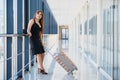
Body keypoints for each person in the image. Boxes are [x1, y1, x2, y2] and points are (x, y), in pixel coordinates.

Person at [27, 10, 48, 74]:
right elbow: (28, 29)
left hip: (38, 40)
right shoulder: (32, 21)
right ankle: (42, 68)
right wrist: (29, 33)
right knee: (39, 53)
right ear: (35, 14)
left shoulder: (40, 23)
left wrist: (42, 42)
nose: (39, 15)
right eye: (38, 14)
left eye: (41, 14)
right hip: (33, 39)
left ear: (42, 16)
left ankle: (40, 67)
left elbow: (40, 34)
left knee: (43, 53)